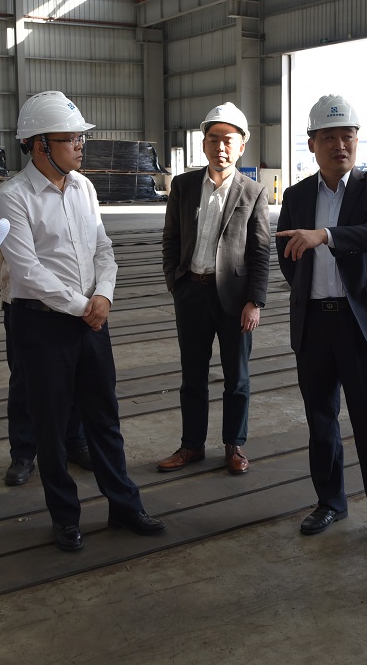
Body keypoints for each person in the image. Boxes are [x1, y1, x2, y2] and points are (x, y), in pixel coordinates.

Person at [0, 91, 165, 554]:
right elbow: (27, 271)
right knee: (50, 428)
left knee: (104, 418)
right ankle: (65, 518)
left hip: (90, 320)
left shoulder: (84, 188)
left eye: (80, 138)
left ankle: (124, 505)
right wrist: (83, 306)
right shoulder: (12, 197)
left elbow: (102, 248)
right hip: (42, 326)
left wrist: (103, 295)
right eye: (70, 139)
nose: (80, 146)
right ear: (39, 145)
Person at [275, 94, 367, 558]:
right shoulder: (296, 196)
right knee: (321, 421)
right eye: (329, 137)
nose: (340, 145)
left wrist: (326, 236)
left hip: (359, 326)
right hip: (314, 324)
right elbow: (288, 257)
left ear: (357, 139)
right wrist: (308, 289)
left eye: (347, 135)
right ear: (312, 143)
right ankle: (330, 502)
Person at [158, 102, 270, 476]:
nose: (220, 146)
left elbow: (260, 251)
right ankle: (191, 446)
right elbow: (171, 237)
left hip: (234, 300)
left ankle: (234, 445)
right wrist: (175, 281)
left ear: (241, 146)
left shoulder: (253, 192)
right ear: (204, 143)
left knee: (236, 377)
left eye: (228, 140)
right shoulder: (184, 186)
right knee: (192, 376)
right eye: (213, 139)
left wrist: (255, 301)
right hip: (191, 292)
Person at [0, 247, 93, 487]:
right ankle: (23, 452)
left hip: (75, 299)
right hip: (24, 303)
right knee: (24, 379)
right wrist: (8, 281)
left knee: (73, 375)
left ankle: (74, 440)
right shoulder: (14, 217)